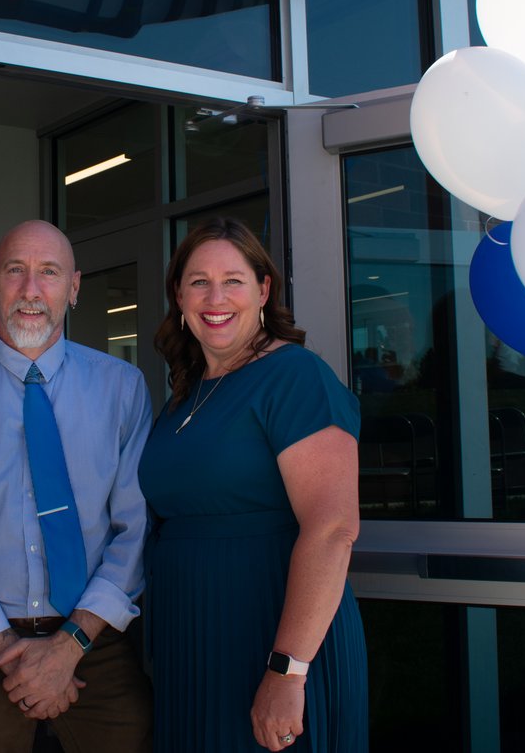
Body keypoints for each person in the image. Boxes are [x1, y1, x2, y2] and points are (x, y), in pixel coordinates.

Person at [0, 219, 153, 753]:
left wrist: (69, 646)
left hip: (97, 641)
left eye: (49, 273)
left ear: (75, 287)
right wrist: (10, 651)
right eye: (16, 271)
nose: (32, 290)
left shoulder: (123, 389)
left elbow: (135, 527)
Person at [138, 216, 368, 753]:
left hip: (272, 632)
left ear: (263, 289)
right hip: (193, 640)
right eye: (198, 281)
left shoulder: (296, 377)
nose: (215, 296)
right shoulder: (186, 393)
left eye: (233, 280)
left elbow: (333, 528)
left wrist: (288, 672)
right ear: (178, 294)